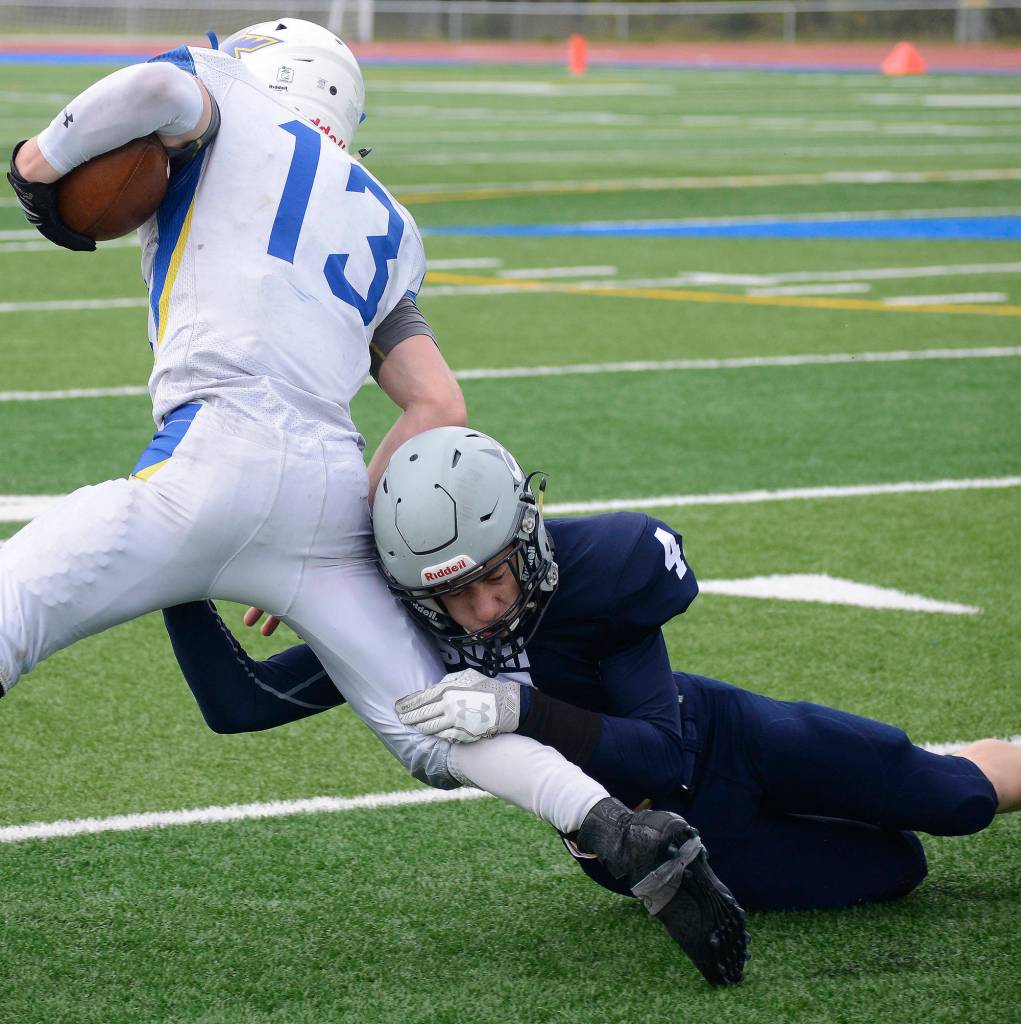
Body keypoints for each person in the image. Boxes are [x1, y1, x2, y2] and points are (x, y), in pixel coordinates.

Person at [2, 23, 748, 985]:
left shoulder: (227, 92)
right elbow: (437, 404)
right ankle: (619, 828)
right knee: (432, 728)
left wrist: (37, 167)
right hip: (326, 488)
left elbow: (149, 90)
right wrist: (335, 535)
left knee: (15, 606)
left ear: (267, 72)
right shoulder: (389, 221)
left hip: (212, 450)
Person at [165, 426, 1019, 917]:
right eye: (452, 595)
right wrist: (181, 573)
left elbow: (663, 754)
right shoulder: (405, 629)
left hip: (726, 742)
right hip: (645, 845)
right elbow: (243, 702)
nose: (480, 610)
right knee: (894, 871)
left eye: (494, 578)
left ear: (527, 537)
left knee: (954, 799)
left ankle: (970, 765)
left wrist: (517, 709)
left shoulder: (603, 575)